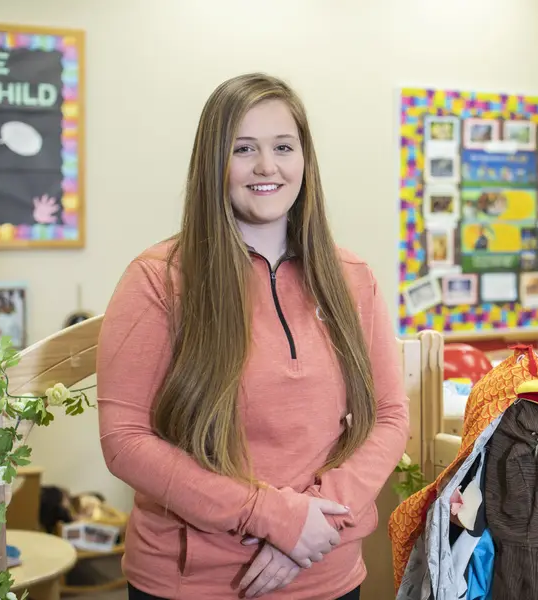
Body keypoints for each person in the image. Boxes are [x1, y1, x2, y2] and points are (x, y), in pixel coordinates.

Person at [96, 73, 410, 599]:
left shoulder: (352, 276)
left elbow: (390, 415)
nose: (268, 166)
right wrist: (273, 517)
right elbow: (125, 441)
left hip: (325, 573)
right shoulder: (157, 278)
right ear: (213, 162)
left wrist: (314, 525)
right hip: (193, 583)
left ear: (304, 160)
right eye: (244, 149)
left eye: (283, 147)